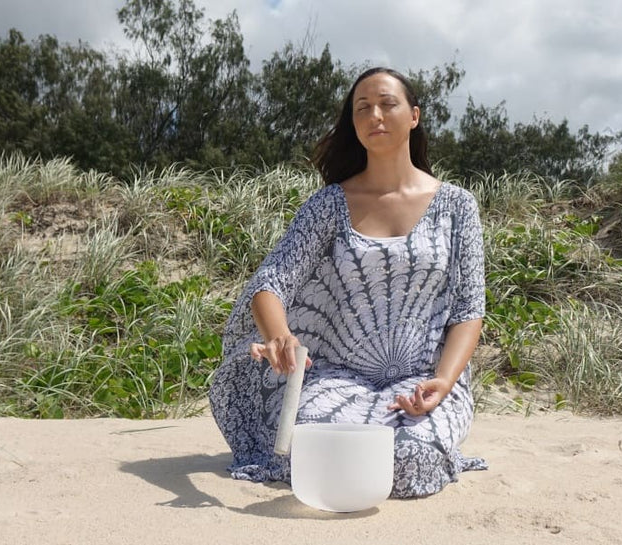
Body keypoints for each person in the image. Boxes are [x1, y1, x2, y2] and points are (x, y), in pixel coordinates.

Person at [208, 66, 487, 498]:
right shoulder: (329, 205)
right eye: (362, 108)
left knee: (413, 462)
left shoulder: (457, 206)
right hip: (336, 381)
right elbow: (271, 282)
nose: (375, 114)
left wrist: (444, 383)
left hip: (422, 380)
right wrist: (279, 336)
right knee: (316, 457)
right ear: (353, 125)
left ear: (414, 116)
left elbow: (469, 310)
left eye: (387, 104)